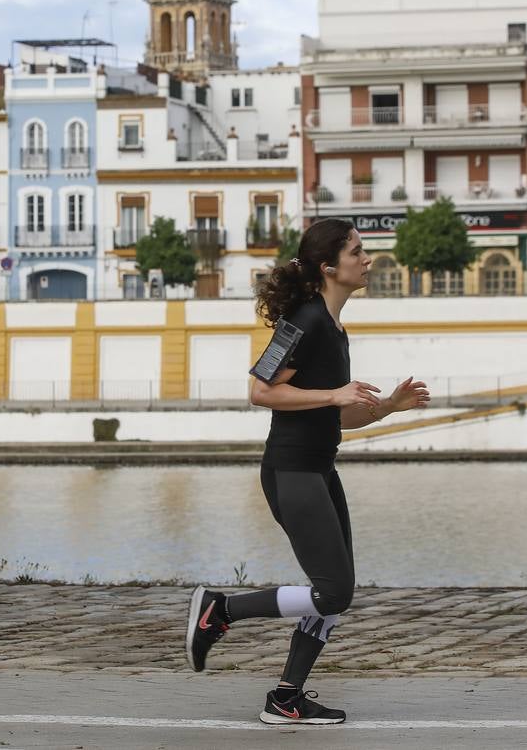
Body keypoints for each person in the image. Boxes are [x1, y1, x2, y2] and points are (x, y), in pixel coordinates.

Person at [183, 217, 430, 726]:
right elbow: (261, 390)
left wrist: (387, 407)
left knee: (338, 593)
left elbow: (338, 413)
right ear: (328, 266)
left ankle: (286, 697)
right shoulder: (305, 320)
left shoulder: (335, 328)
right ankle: (220, 610)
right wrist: (333, 394)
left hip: (320, 468)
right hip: (290, 470)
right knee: (332, 591)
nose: (367, 259)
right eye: (358, 251)